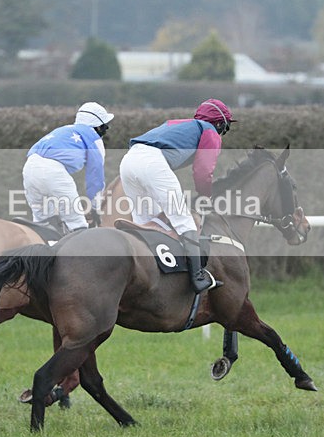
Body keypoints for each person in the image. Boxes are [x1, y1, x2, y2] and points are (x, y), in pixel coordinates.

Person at [119, 98, 235, 294]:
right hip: (152, 162)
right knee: (184, 221)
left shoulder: (179, 123)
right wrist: (205, 195)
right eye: (226, 127)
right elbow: (203, 170)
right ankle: (198, 278)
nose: (223, 132)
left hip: (128, 161)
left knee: (148, 223)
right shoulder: (210, 132)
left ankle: (148, 274)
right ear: (220, 123)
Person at [23, 102, 114, 233]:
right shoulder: (94, 139)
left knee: (43, 224)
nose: (106, 129)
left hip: (29, 167)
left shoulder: (64, 129)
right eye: (105, 126)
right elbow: (95, 178)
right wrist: (95, 208)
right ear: (98, 126)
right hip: (52, 171)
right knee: (77, 224)